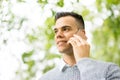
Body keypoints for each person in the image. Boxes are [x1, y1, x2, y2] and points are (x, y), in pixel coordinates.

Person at [40, 12, 120, 80]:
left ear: (82, 34)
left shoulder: (109, 70)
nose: (58, 35)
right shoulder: (45, 78)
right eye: (56, 31)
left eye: (65, 29)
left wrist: (83, 61)